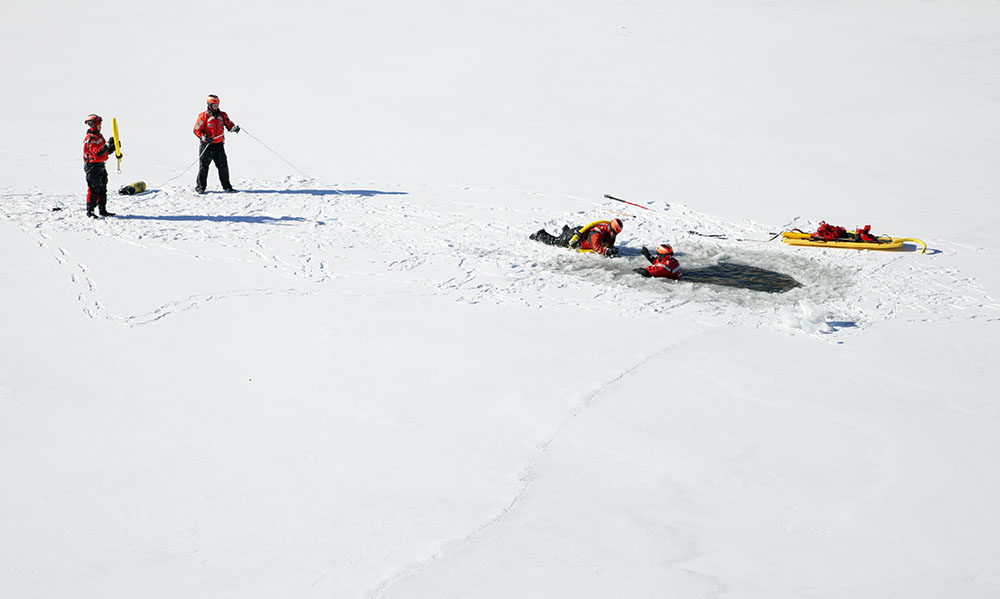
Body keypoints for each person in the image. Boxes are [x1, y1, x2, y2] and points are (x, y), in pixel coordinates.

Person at [193, 94, 240, 193]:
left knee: (223, 166)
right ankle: (200, 187)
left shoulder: (223, 115)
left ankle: (227, 186)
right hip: (207, 146)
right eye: (214, 104)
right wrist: (203, 137)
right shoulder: (203, 116)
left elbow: (229, 125)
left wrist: (233, 128)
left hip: (219, 145)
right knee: (204, 166)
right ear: (209, 104)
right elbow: (196, 130)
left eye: (217, 104)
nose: (216, 106)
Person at [83, 114, 118, 218]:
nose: (100, 127)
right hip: (92, 167)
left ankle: (102, 210)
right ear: (93, 125)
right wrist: (107, 145)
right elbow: (97, 152)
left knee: (103, 188)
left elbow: (104, 153)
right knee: (94, 189)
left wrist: (113, 147)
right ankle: (90, 212)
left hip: (101, 166)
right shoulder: (91, 138)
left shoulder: (99, 136)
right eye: (99, 125)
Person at [529, 218, 623, 257]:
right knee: (555, 241)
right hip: (574, 238)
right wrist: (606, 251)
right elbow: (596, 248)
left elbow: (609, 244)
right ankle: (539, 234)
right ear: (610, 228)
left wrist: (611, 249)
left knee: (562, 237)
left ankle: (565, 230)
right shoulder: (597, 233)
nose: (614, 235)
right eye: (614, 232)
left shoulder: (610, 233)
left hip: (580, 233)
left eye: (616, 233)